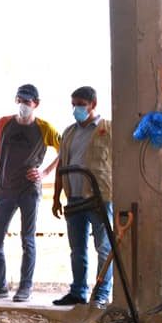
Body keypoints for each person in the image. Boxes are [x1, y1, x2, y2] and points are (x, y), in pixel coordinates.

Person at [0, 84, 61, 302]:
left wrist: (44, 172)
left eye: (27, 101)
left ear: (36, 103)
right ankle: (0, 285)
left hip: (29, 190)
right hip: (5, 189)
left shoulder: (45, 128)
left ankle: (25, 287)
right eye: (20, 100)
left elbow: (65, 149)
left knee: (27, 239)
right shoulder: (4, 123)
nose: (23, 105)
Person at [51, 86, 113, 307]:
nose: (76, 108)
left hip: (100, 197)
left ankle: (101, 292)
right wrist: (56, 196)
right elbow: (61, 165)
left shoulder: (107, 129)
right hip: (74, 197)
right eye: (73, 104)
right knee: (77, 248)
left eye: (80, 104)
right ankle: (78, 292)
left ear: (92, 104)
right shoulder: (69, 132)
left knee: (104, 247)